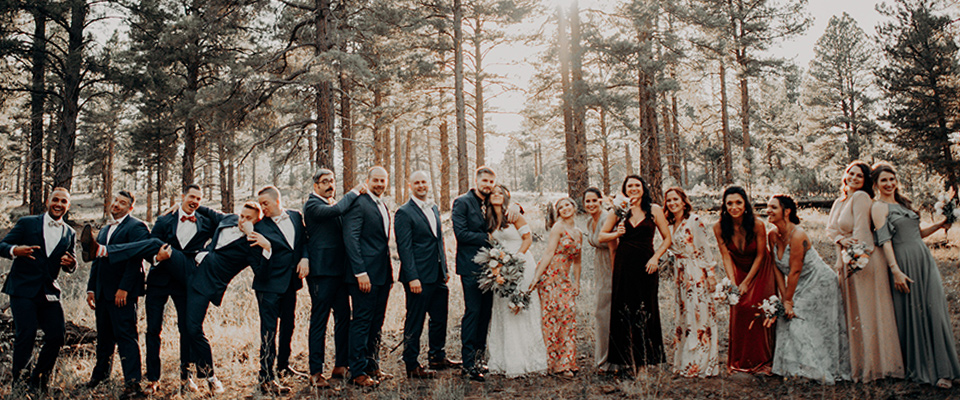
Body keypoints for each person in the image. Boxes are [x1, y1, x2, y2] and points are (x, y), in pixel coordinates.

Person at [871, 162, 960, 388]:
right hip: (903, 262)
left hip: (923, 259)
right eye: (884, 180)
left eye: (892, 179)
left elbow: (917, 234)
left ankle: (945, 367)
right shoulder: (879, 207)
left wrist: (941, 224)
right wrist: (896, 270)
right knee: (915, 313)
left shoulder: (902, 203)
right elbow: (885, 240)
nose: (889, 184)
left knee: (935, 309)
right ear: (876, 184)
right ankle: (928, 369)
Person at [825, 161, 903, 382]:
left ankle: (875, 365)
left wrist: (856, 256)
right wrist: (841, 240)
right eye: (851, 173)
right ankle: (859, 363)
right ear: (845, 175)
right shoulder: (840, 200)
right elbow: (830, 229)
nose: (854, 178)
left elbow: (861, 230)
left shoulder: (861, 198)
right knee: (855, 312)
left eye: (860, 176)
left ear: (866, 181)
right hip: (846, 258)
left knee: (868, 312)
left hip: (864, 261)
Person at [184, 201, 268, 395]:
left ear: (257, 222)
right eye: (242, 216)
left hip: (207, 284)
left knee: (193, 327)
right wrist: (183, 206)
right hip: (188, 270)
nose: (242, 220)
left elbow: (261, 272)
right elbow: (206, 210)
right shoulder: (228, 219)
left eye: (248, 219)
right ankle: (186, 376)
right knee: (185, 325)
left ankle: (211, 377)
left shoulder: (251, 243)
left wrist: (261, 242)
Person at [765, 194, 848, 383]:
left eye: (773, 207)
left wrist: (789, 301)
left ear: (786, 212)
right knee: (786, 316)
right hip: (800, 283)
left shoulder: (798, 235)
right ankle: (793, 367)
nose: (768, 210)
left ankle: (812, 369)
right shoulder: (772, 235)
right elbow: (777, 268)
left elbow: (794, 272)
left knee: (797, 315)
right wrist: (783, 298)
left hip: (820, 281)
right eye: (768, 207)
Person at [0, 187, 76, 391]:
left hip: (49, 291)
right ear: (48, 202)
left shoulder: (70, 232)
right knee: (26, 335)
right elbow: (2, 245)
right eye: (55, 200)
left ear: (68, 206)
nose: (58, 204)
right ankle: (20, 385)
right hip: (22, 289)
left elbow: (71, 263)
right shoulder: (27, 223)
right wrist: (15, 250)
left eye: (63, 202)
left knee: (57, 336)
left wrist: (70, 264)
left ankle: (39, 381)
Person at [600, 175, 672, 373]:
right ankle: (624, 361)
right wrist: (617, 233)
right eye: (629, 186)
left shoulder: (654, 209)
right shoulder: (620, 210)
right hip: (624, 265)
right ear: (624, 189)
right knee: (623, 310)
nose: (633, 188)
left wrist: (656, 258)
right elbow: (601, 235)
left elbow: (667, 239)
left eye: (637, 185)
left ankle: (643, 364)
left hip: (647, 265)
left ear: (643, 188)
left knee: (646, 311)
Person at [83, 191, 150, 399]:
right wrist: (91, 288)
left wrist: (125, 289)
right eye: (115, 201)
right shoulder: (105, 229)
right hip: (103, 292)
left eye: (123, 203)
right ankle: (100, 376)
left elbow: (135, 259)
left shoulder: (136, 227)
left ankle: (132, 384)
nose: (117, 205)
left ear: (130, 208)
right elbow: (97, 259)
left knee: (126, 337)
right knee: (104, 337)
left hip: (122, 293)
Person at [302, 169, 365, 388]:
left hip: (340, 273)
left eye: (332, 181)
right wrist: (356, 191)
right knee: (319, 320)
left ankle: (341, 365)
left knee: (343, 318)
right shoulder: (312, 205)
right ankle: (316, 371)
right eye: (325, 182)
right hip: (321, 273)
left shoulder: (332, 203)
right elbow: (339, 209)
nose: (330, 185)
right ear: (315, 186)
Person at [395, 171, 459, 380]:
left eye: (424, 182)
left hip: (438, 275)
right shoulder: (404, 212)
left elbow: (438, 240)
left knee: (439, 318)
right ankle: (411, 365)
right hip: (418, 278)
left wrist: (445, 269)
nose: (421, 185)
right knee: (415, 320)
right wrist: (413, 277)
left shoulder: (433, 207)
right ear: (410, 185)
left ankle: (437, 356)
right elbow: (404, 248)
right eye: (417, 182)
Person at [486, 185, 548, 378]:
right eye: (493, 193)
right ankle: (504, 359)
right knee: (503, 308)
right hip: (501, 266)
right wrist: (497, 265)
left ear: (506, 196)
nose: (496, 195)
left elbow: (528, 239)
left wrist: (514, 259)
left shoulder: (513, 215)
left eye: (500, 192)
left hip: (520, 263)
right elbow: (492, 243)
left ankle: (528, 359)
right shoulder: (489, 218)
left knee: (520, 306)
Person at [713, 186, 776, 375]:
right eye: (729, 203)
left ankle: (763, 361)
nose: (734, 207)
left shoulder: (757, 224)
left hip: (761, 267)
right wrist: (733, 283)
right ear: (724, 205)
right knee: (739, 307)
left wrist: (747, 282)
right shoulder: (719, 227)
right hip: (738, 267)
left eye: (738, 202)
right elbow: (725, 255)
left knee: (756, 307)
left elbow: (760, 255)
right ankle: (740, 361)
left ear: (745, 204)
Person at [252, 186, 309, 394]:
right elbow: (257, 259)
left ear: (277, 201)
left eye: (265, 203)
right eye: (260, 204)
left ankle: (283, 366)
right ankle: (266, 377)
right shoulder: (259, 227)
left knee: (288, 325)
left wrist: (305, 257)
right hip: (268, 286)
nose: (262, 208)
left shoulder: (295, 216)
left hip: (290, 284)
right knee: (268, 330)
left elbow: (304, 241)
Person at [343, 166, 395, 388]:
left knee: (377, 322)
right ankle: (357, 371)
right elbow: (351, 238)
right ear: (368, 180)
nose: (379, 184)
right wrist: (360, 272)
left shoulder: (382, 204)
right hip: (364, 275)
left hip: (383, 274)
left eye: (383, 180)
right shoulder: (359, 203)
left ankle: (373, 365)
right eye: (375, 180)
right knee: (362, 322)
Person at [663, 187, 719, 378]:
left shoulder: (694, 221)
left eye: (675, 199)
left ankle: (700, 364)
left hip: (695, 272)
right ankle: (683, 361)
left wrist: (710, 274)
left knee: (698, 315)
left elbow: (704, 248)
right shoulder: (669, 224)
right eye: (669, 200)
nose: (672, 203)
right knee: (684, 316)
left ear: (684, 201)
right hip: (680, 274)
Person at [452, 166, 499, 382]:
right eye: (485, 181)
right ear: (477, 180)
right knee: (473, 312)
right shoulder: (462, 202)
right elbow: (461, 234)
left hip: (491, 268)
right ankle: (468, 363)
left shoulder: (490, 202)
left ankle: (480, 358)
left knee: (486, 313)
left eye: (491, 182)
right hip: (470, 267)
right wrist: (487, 238)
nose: (488, 185)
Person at [531, 197, 582, 377]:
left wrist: (576, 282)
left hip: (564, 279)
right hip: (550, 276)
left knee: (568, 317)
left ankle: (567, 362)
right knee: (552, 318)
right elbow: (548, 253)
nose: (565, 209)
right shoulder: (558, 228)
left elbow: (577, 261)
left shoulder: (578, 232)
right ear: (558, 212)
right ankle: (552, 363)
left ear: (574, 207)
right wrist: (537, 277)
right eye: (561, 207)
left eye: (568, 204)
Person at [583, 187, 614, 373]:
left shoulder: (605, 219)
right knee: (602, 313)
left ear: (601, 200)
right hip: (600, 267)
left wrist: (615, 275)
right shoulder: (589, 222)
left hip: (610, 266)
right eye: (587, 201)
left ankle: (609, 361)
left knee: (604, 313)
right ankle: (603, 358)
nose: (591, 204)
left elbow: (614, 248)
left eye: (594, 200)